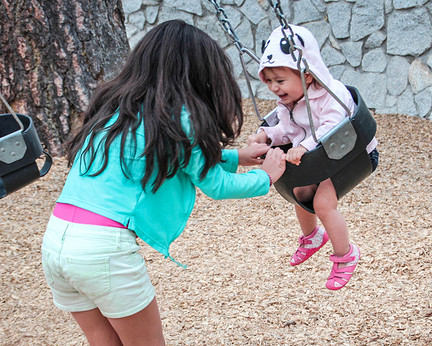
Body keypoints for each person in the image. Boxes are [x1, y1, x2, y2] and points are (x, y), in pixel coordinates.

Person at [41, 20, 286, 345]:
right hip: (104, 251)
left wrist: (237, 156)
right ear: (200, 74)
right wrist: (265, 177)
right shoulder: (179, 114)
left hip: (56, 242)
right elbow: (217, 186)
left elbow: (165, 154)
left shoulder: (116, 106)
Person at [248, 24, 378, 291]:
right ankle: (312, 236)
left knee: (322, 203)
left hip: (353, 152)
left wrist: (305, 146)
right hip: (324, 157)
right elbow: (286, 130)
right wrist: (266, 135)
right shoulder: (288, 103)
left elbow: (333, 125)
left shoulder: (331, 94)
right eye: (269, 81)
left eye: (280, 81)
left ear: (307, 75)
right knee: (299, 189)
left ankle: (346, 255)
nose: (273, 88)